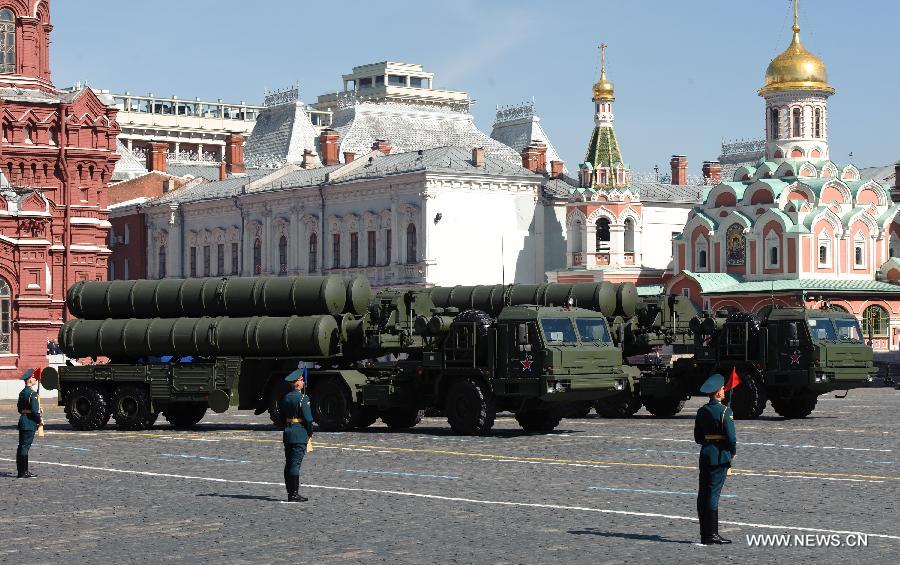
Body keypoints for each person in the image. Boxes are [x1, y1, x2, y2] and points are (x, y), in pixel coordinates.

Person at [694, 373, 736, 545]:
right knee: (713, 495)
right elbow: (731, 438)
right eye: (722, 389)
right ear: (717, 393)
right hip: (720, 456)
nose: (724, 390)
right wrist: (732, 452)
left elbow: (698, 437)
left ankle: (705, 533)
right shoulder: (725, 411)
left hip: (705, 455)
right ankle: (711, 535)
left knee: (703, 494)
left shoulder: (702, 411)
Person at [280, 368, 314, 502]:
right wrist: (309, 432)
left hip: (288, 432)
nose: (303, 382)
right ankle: (293, 494)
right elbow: (309, 419)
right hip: (299, 433)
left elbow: (282, 416)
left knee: (288, 463)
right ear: (297, 383)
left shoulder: (286, 397)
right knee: (295, 464)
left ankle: (290, 491)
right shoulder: (303, 398)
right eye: (302, 380)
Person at [16, 368, 43, 479]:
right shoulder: (33, 394)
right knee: (25, 447)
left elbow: (19, 409)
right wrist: (39, 420)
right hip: (29, 423)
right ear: (30, 379)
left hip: (23, 421)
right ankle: (24, 472)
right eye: (34, 377)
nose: (35, 379)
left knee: (21, 447)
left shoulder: (22, 393)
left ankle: (21, 471)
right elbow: (35, 411)